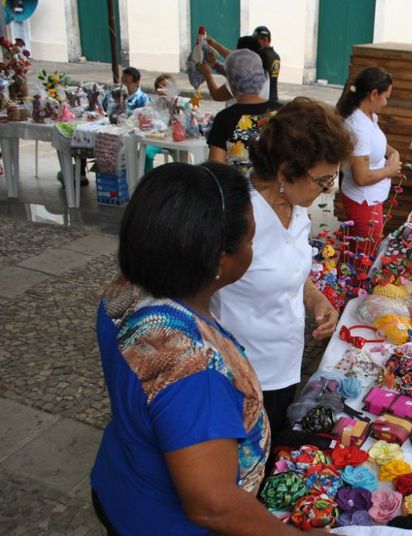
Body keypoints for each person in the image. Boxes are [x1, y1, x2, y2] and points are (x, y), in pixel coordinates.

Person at [90, 162, 307, 535]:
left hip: (120, 481)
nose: (252, 250)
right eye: (250, 241)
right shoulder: (194, 368)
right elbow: (213, 506)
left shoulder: (124, 290)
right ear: (220, 258)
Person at [212, 97, 353, 435]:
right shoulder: (239, 218)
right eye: (322, 181)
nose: (326, 190)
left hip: (285, 368)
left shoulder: (297, 210)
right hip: (241, 376)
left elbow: (291, 270)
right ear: (286, 171)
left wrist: (317, 300)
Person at [336, 66, 402, 256]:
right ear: (374, 94)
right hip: (363, 200)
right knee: (365, 256)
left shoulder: (368, 117)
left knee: (357, 252)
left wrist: (392, 152)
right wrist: (390, 171)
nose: (386, 102)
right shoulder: (358, 127)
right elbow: (362, 177)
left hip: (370, 199)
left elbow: (375, 144)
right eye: (386, 96)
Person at [206, 49, 269, 176]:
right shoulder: (280, 112)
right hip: (275, 192)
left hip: (239, 191)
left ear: (232, 84)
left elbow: (216, 168)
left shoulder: (225, 118)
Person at [201, 34, 271, 105]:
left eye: (238, 54)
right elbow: (235, 70)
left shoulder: (240, 83)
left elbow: (216, 95)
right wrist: (216, 65)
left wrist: (207, 73)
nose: (236, 58)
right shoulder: (261, 72)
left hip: (237, 114)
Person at [253, 25, 280, 109]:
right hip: (273, 97)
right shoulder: (276, 55)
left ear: (266, 39)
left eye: (257, 40)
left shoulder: (261, 55)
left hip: (263, 100)